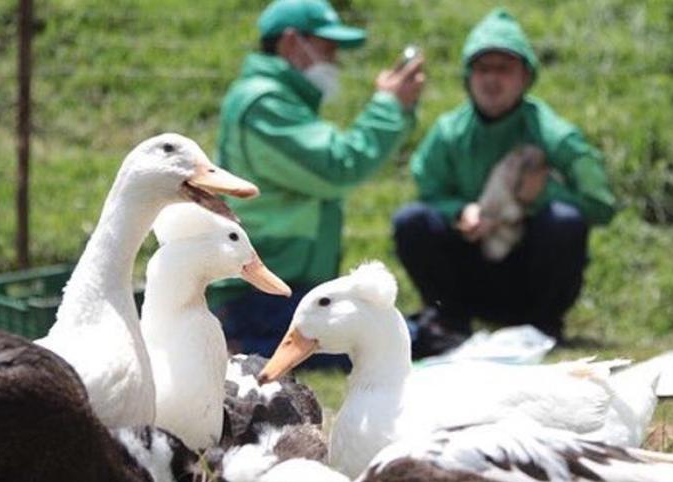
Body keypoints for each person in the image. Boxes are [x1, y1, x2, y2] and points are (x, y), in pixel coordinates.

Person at [393, 8, 616, 359]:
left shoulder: (556, 135)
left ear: (526, 77)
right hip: (468, 268)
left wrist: (544, 194)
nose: (492, 80)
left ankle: (543, 326)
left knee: (565, 221)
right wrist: (459, 212)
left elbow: (601, 206)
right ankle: (447, 322)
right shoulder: (448, 133)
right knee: (411, 220)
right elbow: (430, 193)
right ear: (468, 77)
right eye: (482, 69)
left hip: (527, 274)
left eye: (504, 69)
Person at [212, 0, 425, 364]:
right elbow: (337, 167)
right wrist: (388, 108)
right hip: (256, 296)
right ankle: (235, 345)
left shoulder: (271, 98)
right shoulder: (264, 105)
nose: (334, 61)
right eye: (328, 48)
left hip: (275, 288)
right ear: (293, 43)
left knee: (391, 334)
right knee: (387, 341)